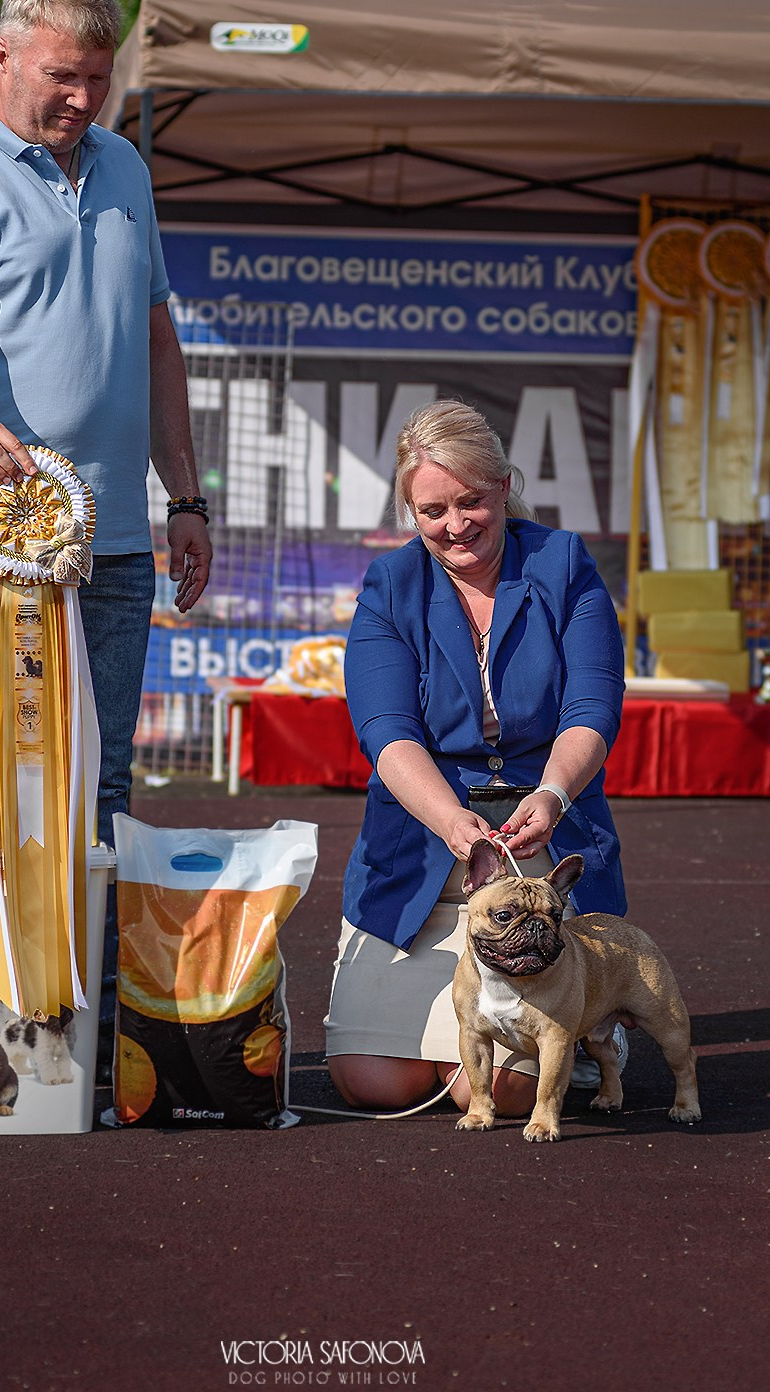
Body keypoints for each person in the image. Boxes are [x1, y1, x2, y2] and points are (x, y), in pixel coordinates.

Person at [0, 0, 212, 1044]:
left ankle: (87, 1029)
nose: (82, 99)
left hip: (112, 536)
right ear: (3, 56)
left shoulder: (123, 166)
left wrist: (187, 498)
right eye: (62, 76)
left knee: (101, 778)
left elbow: (157, 337)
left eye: (98, 80)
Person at [325, 398, 626, 1114]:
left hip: (541, 862)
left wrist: (553, 795)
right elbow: (387, 731)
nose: (455, 525)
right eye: (432, 511)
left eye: (470, 502)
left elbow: (592, 709)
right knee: (374, 1084)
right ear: (410, 512)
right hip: (422, 860)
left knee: (501, 1090)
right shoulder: (390, 586)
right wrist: (451, 823)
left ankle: (591, 1035)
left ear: (502, 487)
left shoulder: (564, 565)